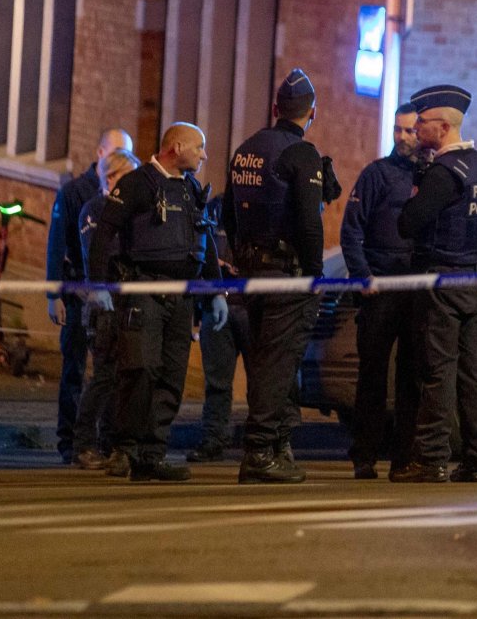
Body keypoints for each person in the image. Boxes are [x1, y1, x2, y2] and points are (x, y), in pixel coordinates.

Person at [88, 123, 226, 482]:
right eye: (199, 147)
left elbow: (205, 239)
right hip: (143, 292)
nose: (204, 154)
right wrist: (99, 284)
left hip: (181, 298)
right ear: (176, 147)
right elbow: (104, 233)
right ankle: (125, 450)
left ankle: (153, 453)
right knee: (139, 372)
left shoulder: (191, 189)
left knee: (170, 377)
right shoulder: (136, 184)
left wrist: (216, 293)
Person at [224, 68, 332, 485]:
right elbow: (309, 224)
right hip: (288, 275)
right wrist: (315, 274)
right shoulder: (301, 154)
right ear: (312, 114)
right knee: (277, 365)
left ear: (275, 108)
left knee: (265, 363)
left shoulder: (246, 149)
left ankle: (275, 446)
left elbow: (229, 216)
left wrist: (243, 256)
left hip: (252, 273)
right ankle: (260, 451)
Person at [390, 84, 477, 484]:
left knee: (438, 370)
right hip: (475, 278)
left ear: (441, 125)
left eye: (421, 122)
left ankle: (433, 457)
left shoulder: (443, 173)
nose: (416, 128)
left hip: (443, 280)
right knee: (474, 370)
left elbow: (409, 223)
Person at [340, 103, 420, 479]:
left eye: (409, 131)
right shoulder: (376, 174)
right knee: (372, 376)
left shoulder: (430, 174)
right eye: (397, 130)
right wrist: (363, 276)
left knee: (410, 376)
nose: (402, 137)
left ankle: (403, 457)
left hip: (415, 290)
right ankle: (365, 456)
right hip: (379, 289)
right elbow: (351, 231)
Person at [47, 128, 133, 465]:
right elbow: (58, 245)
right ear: (100, 154)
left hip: (108, 295)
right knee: (75, 368)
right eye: (115, 153)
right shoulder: (74, 194)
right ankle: (70, 442)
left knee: (105, 372)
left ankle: (101, 439)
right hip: (77, 291)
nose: (119, 160)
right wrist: (54, 293)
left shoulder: (124, 197)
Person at [74, 148, 142, 474]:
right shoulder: (95, 209)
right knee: (103, 377)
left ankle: (108, 443)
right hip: (104, 306)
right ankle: (84, 444)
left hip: (123, 303)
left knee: (118, 380)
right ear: (111, 177)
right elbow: (99, 254)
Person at [185, 194, 251, 464]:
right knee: (217, 382)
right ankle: (213, 439)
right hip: (217, 304)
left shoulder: (261, 206)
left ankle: (260, 443)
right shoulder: (212, 208)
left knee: (260, 381)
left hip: (250, 305)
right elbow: (201, 249)